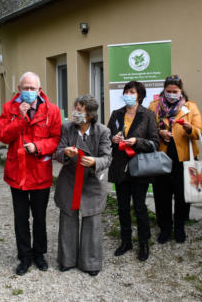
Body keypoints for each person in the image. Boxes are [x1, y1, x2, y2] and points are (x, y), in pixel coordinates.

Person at [0, 71, 62, 275]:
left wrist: (39, 147)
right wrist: (20, 118)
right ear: (19, 89)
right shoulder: (10, 108)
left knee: (40, 217)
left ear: (39, 90)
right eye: (25, 88)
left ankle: (39, 254)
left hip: (40, 173)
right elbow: (3, 136)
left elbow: (56, 139)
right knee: (20, 218)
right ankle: (24, 256)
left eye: (32, 88)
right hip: (17, 173)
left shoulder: (52, 110)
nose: (28, 91)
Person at [54, 95, 111, 276]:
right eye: (75, 108)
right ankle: (67, 260)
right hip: (70, 180)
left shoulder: (102, 131)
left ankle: (91, 262)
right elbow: (58, 152)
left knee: (92, 222)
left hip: (92, 181)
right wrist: (66, 153)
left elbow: (107, 157)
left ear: (90, 115)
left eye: (80, 110)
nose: (75, 113)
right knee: (67, 220)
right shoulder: (67, 128)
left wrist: (94, 161)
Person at [107, 81, 159, 261]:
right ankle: (126, 241)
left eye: (132, 92)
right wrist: (112, 138)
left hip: (139, 168)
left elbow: (155, 143)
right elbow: (107, 137)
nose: (128, 94)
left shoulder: (148, 115)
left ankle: (143, 243)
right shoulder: (116, 114)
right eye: (126, 91)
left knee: (139, 207)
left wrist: (137, 142)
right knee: (122, 207)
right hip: (120, 167)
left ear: (140, 96)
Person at [148, 75, 202, 244]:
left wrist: (189, 128)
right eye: (168, 91)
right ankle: (165, 228)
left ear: (181, 91)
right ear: (164, 90)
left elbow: (200, 131)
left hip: (184, 158)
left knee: (182, 195)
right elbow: (148, 129)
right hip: (161, 156)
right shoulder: (154, 106)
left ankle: (179, 226)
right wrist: (159, 132)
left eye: (175, 91)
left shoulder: (190, 106)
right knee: (161, 194)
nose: (171, 94)